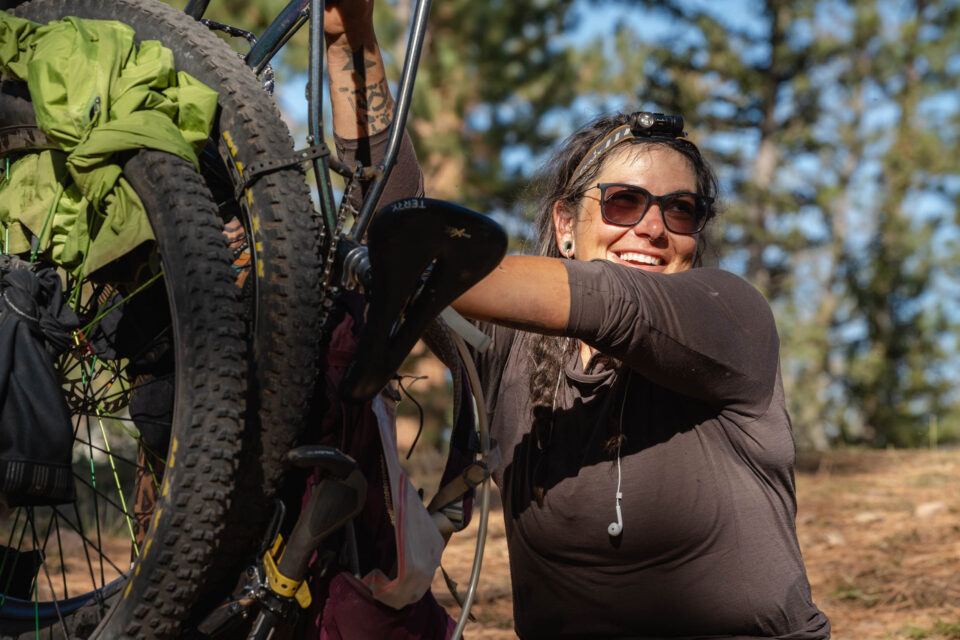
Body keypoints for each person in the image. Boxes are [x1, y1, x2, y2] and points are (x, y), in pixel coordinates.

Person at [325, 3, 831, 639]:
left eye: (681, 211)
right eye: (624, 202)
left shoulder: (731, 319)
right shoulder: (512, 346)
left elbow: (613, 301)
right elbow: (394, 216)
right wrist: (353, 43)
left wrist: (423, 260)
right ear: (566, 226)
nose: (652, 227)